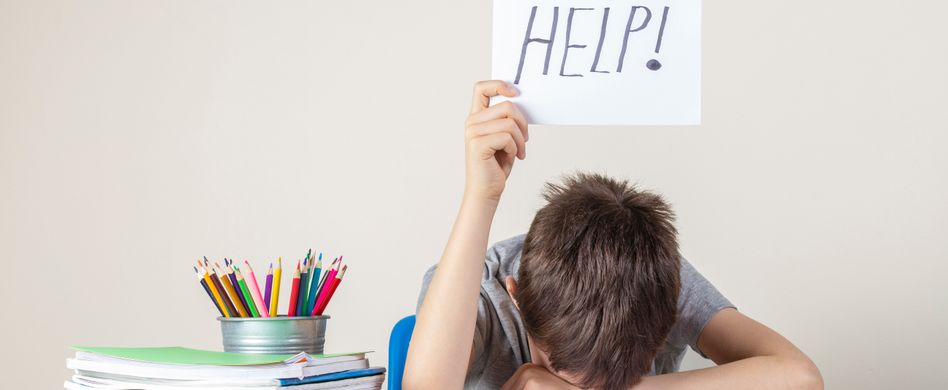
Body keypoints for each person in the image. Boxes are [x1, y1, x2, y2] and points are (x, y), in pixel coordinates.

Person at [403, 80, 823, 390]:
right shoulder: (473, 287)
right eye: (564, 374)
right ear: (515, 295)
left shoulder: (653, 278)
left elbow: (800, 377)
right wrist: (482, 194)